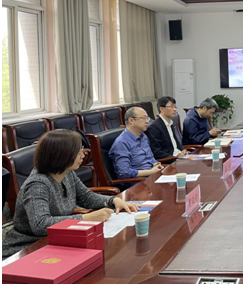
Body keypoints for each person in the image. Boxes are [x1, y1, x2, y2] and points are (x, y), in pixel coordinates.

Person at [2, 130, 139, 258]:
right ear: (62, 155)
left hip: (57, 240)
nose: (83, 155)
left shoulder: (67, 173)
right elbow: (40, 224)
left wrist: (113, 201)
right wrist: (87, 218)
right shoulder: (37, 184)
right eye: (78, 152)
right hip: (28, 247)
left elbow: (86, 197)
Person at [109, 107, 163, 180]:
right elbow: (124, 172)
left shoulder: (143, 137)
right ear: (131, 120)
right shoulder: (122, 143)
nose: (147, 121)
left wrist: (155, 164)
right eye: (144, 118)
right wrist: (150, 172)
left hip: (153, 176)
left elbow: (150, 158)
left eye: (147, 118)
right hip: (138, 182)